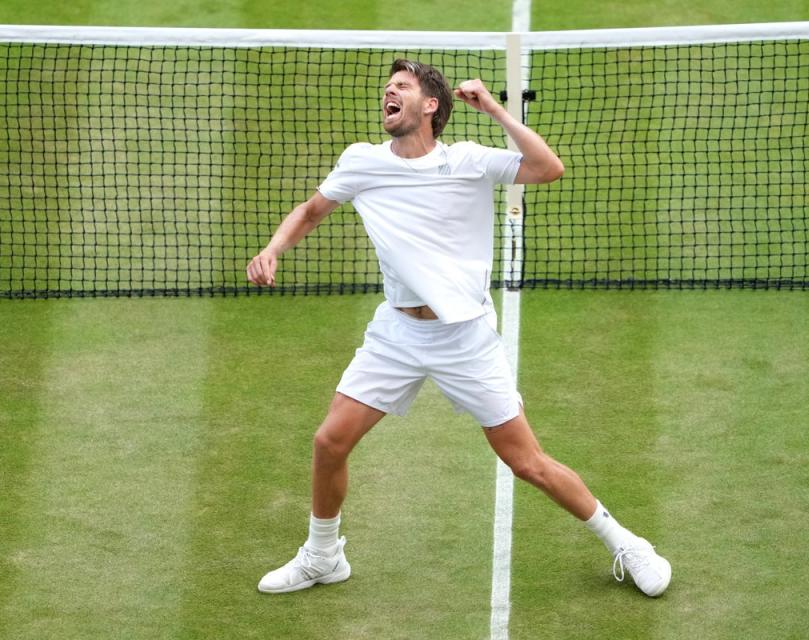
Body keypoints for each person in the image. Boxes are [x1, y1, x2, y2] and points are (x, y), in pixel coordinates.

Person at [246, 59, 671, 597]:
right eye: (388, 87)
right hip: (397, 334)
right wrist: (272, 250)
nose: (388, 92)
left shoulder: (469, 161)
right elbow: (310, 211)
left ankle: (626, 542)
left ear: (431, 106)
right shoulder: (361, 162)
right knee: (330, 442)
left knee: (527, 463)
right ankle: (323, 556)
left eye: (402, 87)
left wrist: (494, 108)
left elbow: (547, 168)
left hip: (465, 338)